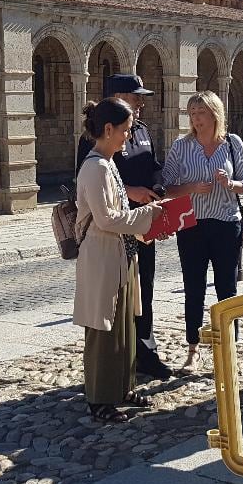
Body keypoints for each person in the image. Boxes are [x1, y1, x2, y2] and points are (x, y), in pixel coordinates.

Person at [75, 74, 174, 380]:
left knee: (141, 294)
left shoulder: (141, 132)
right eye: (135, 96)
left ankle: (142, 353)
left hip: (137, 232)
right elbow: (97, 196)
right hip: (115, 235)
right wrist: (136, 199)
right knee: (110, 311)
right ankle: (110, 377)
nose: (141, 102)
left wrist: (156, 189)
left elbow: (153, 167)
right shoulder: (94, 147)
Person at [161, 91, 243, 373]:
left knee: (228, 288)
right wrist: (190, 188)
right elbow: (165, 186)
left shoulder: (232, 144)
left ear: (215, 114)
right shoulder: (181, 147)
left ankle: (229, 348)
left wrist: (231, 184)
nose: (196, 119)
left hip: (226, 224)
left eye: (201, 113)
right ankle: (192, 349)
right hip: (192, 226)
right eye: (191, 113)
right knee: (194, 287)